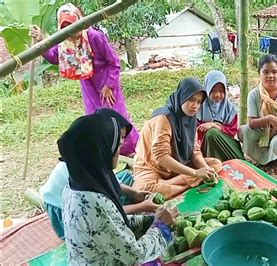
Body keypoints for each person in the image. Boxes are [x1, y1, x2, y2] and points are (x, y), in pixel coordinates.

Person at [59, 114, 178, 265]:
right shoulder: (93, 202)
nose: (119, 151)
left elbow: (113, 224)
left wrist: (149, 220)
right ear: (101, 150)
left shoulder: (75, 186)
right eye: (117, 145)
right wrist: (161, 225)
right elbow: (135, 255)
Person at [29, 3, 139, 156]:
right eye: (65, 26)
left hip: (106, 82)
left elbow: (114, 62)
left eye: (72, 25)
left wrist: (109, 85)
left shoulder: (94, 37)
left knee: (116, 117)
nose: (71, 31)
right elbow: (55, 57)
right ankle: (107, 153)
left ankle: (130, 150)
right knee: (95, 119)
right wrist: (41, 40)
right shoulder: (65, 40)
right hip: (88, 83)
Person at [39, 109, 158, 240]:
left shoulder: (92, 156)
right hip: (61, 212)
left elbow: (111, 181)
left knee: (126, 177)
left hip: (89, 207)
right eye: (118, 140)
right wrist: (143, 208)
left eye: (123, 137)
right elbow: (109, 215)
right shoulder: (86, 184)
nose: (121, 144)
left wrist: (134, 193)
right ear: (103, 138)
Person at [133, 78, 222, 199]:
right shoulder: (163, 118)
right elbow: (161, 157)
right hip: (152, 169)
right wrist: (195, 173)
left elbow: (194, 151)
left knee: (215, 165)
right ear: (182, 97)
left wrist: (205, 170)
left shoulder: (191, 119)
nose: (195, 106)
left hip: (178, 168)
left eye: (199, 102)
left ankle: (172, 186)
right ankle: (184, 186)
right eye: (191, 100)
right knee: (143, 190)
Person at [196, 70, 244, 161]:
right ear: (207, 89)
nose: (217, 95)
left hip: (225, 146)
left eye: (221, 91)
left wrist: (214, 125)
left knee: (213, 132)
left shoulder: (229, 109)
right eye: (213, 90)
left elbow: (232, 132)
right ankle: (212, 163)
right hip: (203, 148)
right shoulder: (199, 108)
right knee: (211, 133)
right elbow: (194, 132)